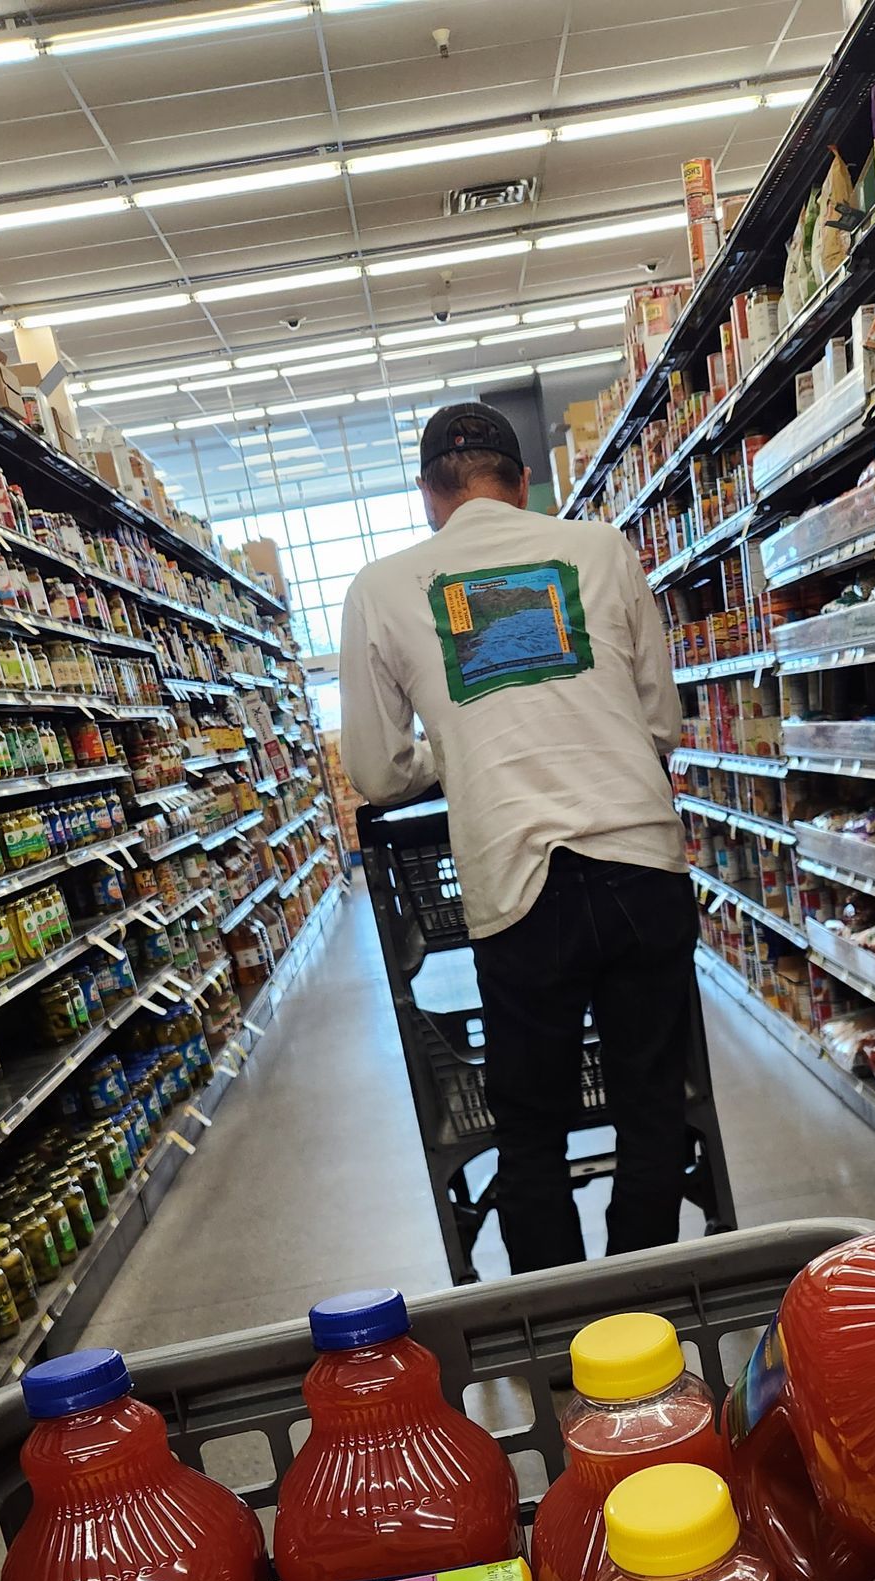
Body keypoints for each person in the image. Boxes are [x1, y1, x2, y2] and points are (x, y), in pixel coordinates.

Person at [338, 400, 700, 1274]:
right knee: (653, 1108)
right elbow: (662, 724)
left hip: (516, 886)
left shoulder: (384, 588)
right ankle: (640, 1309)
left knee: (530, 1129)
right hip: (641, 865)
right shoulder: (602, 549)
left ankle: (566, 1329)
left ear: (429, 495)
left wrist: (452, 755)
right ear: (524, 482)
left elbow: (379, 772)